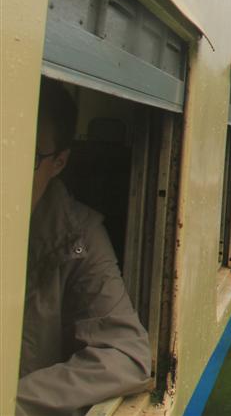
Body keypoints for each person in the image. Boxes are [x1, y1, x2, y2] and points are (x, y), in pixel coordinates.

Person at [18, 79, 151, 416]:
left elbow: (125, 355)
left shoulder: (77, 236)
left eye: (26, 154)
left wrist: (12, 400)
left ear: (59, 162)